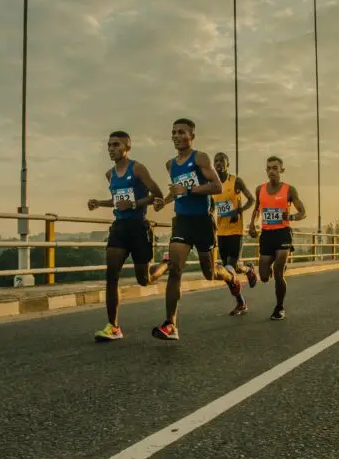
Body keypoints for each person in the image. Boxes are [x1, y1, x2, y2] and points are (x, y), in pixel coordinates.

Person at [152, 118, 245, 340]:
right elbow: (177, 191)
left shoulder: (200, 158)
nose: (176, 136)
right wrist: (163, 202)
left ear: (191, 136)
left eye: (181, 132)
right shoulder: (170, 164)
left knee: (210, 272)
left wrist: (190, 188)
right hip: (182, 221)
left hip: (203, 222)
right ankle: (170, 324)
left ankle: (232, 277)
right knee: (175, 270)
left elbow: (217, 186)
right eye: (173, 132)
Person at [88, 130, 169, 341]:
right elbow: (116, 200)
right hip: (119, 229)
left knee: (145, 279)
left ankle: (165, 264)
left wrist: (134, 204)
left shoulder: (138, 168)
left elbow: (157, 194)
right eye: (109, 146)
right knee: (111, 274)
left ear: (127, 147)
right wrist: (100, 203)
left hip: (138, 228)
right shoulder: (110, 174)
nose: (111, 149)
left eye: (116, 145)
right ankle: (113, 326)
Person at [248, 156, 306, 320]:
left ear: (281, 170)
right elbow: (257, 209)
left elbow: (303, 211)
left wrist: (292, 217)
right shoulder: (260, 189)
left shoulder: (289, 190)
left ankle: (279, 307)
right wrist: (252, 224)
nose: (272, 171)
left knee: (278, 272)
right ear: (266, 171)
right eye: (269, 168)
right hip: (267, 234)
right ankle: (270, 268)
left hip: (282, 233)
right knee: (265, 277)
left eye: (275, 168)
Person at [211, 152, 258, 314]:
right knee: (228, 270)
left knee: (230, 267)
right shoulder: (213, 184)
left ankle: (241, 302)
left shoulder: (235, 181)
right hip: (220, 232)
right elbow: (212, 206)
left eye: (221, 161)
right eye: (216, 161)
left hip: (235, 231)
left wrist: (239, 211)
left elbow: (252, 200)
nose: (218, 164)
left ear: (227, 164)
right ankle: (248, 270)